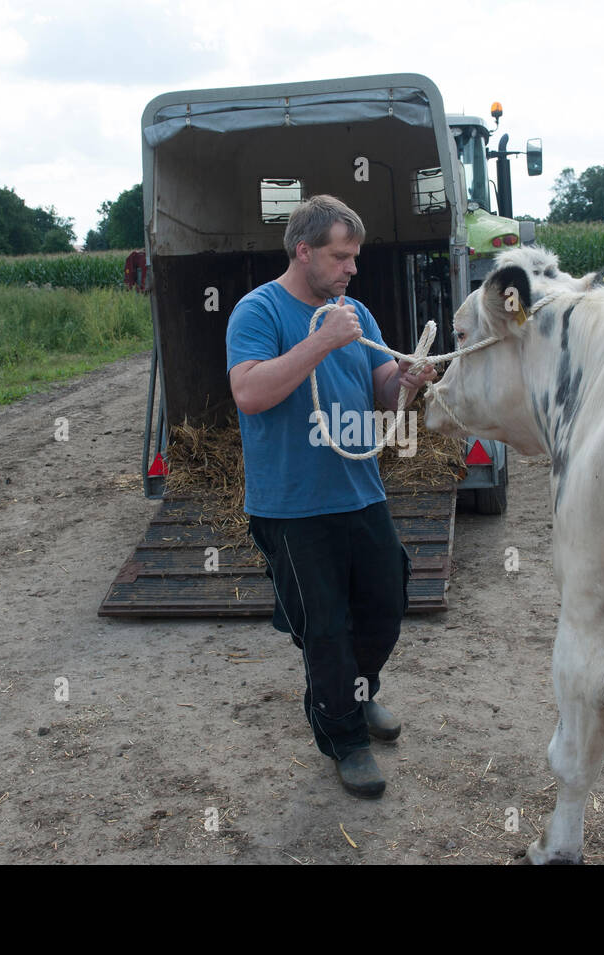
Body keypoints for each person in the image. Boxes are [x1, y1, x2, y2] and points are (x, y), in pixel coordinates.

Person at [225, 195, 437, 798]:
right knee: (326, 630)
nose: (351, 269)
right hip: (291, 506)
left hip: (359, 491)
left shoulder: (355, 313)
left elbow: (379, 394)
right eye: (341, 257)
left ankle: (358, 691)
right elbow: (250, 393)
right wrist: (320, 342)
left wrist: (407, 380)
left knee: (384, 605)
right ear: (304, 250)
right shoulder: (258, 310)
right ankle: (344, 739)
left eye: (355, 258)